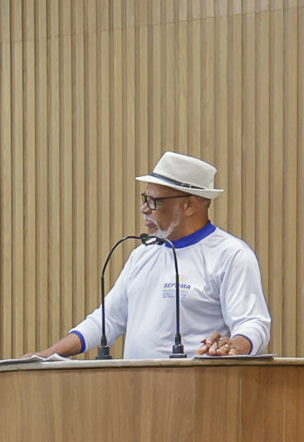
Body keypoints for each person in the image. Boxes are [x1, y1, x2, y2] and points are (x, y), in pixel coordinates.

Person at [34, 152, 271, 360]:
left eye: (154, 201)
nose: (144, 209)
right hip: (134, 390)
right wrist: (47, 355)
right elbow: (107, 320)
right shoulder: (142, 254)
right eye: (145, 199)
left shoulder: (231, 255)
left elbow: (253, 324)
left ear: (189, 205)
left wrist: (233, 346)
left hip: (196, 391)